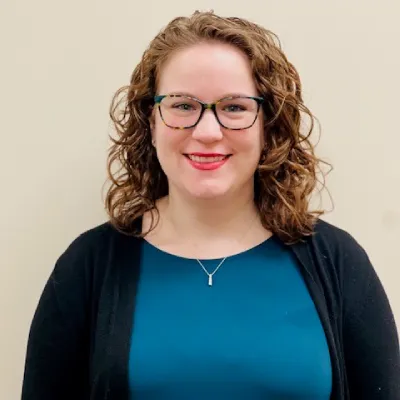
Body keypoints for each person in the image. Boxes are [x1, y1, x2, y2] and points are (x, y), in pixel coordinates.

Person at [21, 10, 399, 400]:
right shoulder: (88, 266)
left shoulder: (337, 262)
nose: (207, 132)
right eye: (182, 105)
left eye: (234, 107)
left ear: (268, 126)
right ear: (151, 122)